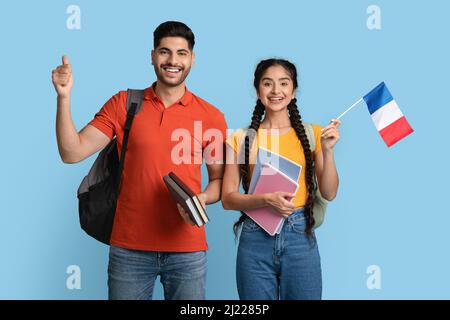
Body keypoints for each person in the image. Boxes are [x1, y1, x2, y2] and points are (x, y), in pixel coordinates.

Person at [52, 21, 227, 300]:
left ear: (192, 58)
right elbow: (72, 152)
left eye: (182, 53)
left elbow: (219, 181)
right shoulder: (125, 104)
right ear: (152, 56)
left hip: (188, 250)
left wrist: (202, 199)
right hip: (129, 249)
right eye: (164, 51)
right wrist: (63, 98)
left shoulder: (211, 116)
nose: (173, 60)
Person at [221, 58, 340, 300]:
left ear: (293, 90)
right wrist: (265, 200)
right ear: (257, 91)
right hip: (255, 237)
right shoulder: (240, 139)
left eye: (284, 83)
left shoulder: (314, 134)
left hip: (300, 234)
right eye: (268, 84)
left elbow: (329, 193)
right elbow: (227, 199)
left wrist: (327, 151)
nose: (276, 91)